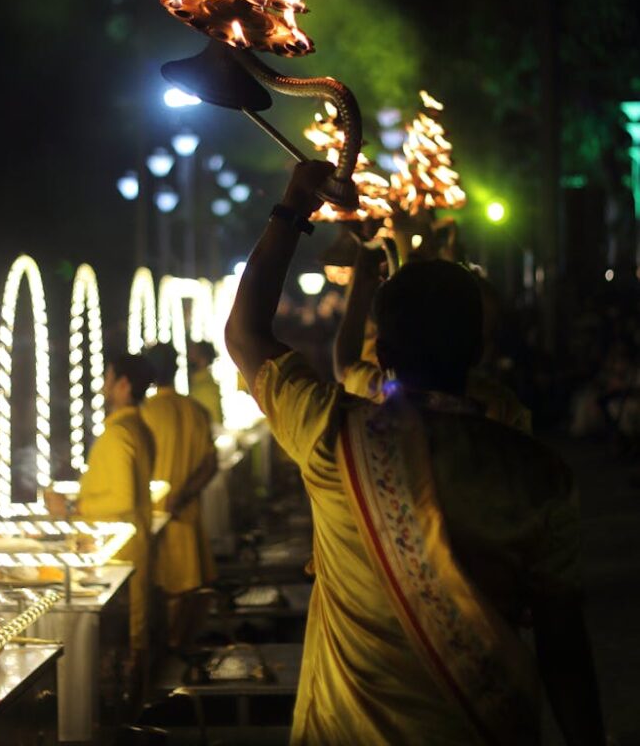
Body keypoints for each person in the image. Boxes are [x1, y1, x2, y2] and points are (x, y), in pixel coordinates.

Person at [225, 161, 605, 746]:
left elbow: (246, 333)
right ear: (479, 349)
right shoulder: (540, 475)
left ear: (386, 348)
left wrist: (294, 203)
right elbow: (564, 646)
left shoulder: (335, 437)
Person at [334, 241, 532, 434]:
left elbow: (345, 366)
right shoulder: (502, 409)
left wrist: (361, 282)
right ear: (478, 351)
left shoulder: (372, 398)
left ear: (382, 355)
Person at [45, 352, 155, 696]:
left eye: (108, 377)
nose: (104, 385)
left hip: (118, 555)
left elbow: (121, 499)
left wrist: (72, 506)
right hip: (130, 550)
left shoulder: (120, 434)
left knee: (124, 651)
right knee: (132, 644)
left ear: (123, 385)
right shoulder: (138, 428)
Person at [142, 341, 218, 652]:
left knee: (159, 618)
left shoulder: (142, 415)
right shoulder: (194, 410)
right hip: (187, 523)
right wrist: (183, 496)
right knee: (186, 615)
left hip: (153, 528)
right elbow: (210, 465)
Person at [187, 339, 224, 426]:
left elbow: (215, 425)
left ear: (203, 359)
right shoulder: (199, 384)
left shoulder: (206, 388)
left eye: (193, 354)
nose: (189, 357)